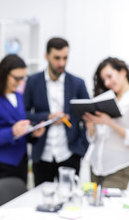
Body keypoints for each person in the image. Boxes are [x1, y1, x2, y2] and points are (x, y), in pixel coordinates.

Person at [23, 37, 90, 186]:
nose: (61, 63)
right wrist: (47, 117)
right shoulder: (32, 82)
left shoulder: (78, 83)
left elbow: (88, 115)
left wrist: (83, 148)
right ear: (46, 56)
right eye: (57, 58)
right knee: (41, 200)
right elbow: (24, 113)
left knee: (70, 201)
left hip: (70, 153)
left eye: (65, 58)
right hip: (42, 153)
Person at [83, 57, 129, 189]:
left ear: (123, 72)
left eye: (109, 76)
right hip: (96, 166)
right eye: (104, 80)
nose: (107, 82)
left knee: (109, 208)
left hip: (118, 168)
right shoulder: (107, 98)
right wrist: (90, 126)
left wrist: (110, 123)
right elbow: (94, 139)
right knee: (93, 207)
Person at [0, 54, 45, 184]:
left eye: (23, 78)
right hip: (0, 165)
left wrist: (33, 135)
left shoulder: (19, 96)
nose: (20, 82)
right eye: (17, 78)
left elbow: (20, 131)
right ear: (3, 75)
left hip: (22, 162)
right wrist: (12, 132)